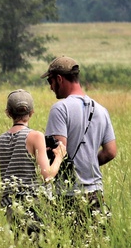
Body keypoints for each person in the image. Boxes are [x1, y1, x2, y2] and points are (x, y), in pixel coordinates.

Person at [42, 57, 117, 233]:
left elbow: (60, 150)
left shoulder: (60, 109)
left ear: (59, 79)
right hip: (96, 193)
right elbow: (111, 152)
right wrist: (88, 163)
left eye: (50, 81)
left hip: (67, 195)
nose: (51, 87)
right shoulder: (101, 110)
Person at [0, 90, 67, 237]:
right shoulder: (35, 136)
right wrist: (59, 156)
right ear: (32, 112)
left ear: (8, 113)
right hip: (33, 204)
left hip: (11, 204)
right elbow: (46, 175)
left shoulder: (1, 139)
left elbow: (18, 161)